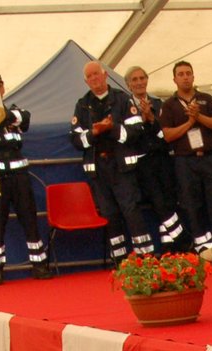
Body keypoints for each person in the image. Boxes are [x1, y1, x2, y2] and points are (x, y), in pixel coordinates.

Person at [71, 61, 156, 262]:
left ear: (105, 75)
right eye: (89, 76)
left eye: (96, 74)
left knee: (131, 210)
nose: (94, 79)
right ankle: (120, 260)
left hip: (122, 168)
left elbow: (136, 131)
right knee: (109, 213)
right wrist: (93, 132)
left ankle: (146, 256)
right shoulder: (82, 105)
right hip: (98, 170)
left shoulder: (123, 100)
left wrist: (112, 129)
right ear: (86, 81)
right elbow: (75, 139)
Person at [0, 74, 52, 286]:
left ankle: (39, 265)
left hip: (19, 177)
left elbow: (24, 119)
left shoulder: (15, 111)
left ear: (1, 88)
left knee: (30, 220)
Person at [160, 61, 212, 252]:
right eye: (181, 74)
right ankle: (202, 246)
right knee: (192, 203)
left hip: (209, 157)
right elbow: (168, 135)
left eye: (188, 73)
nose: (185, 77)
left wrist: (199, 117)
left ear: (193, 76)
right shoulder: (169, 105)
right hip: (185, 160)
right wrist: (190, 122)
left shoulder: (206, 99)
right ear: (174, 79)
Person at [126, 66, 188, 249]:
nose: (139, 82)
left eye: (142, 78)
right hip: (142, 163)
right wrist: (144, 121)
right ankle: (184, 239)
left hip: (162, 158)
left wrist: (152, 119)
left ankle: (169, 245)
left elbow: (164, 133)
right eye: (134, 79)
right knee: (158, 203)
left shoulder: (158, 103)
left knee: (169, 200)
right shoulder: (125, 105)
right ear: (128, 84)